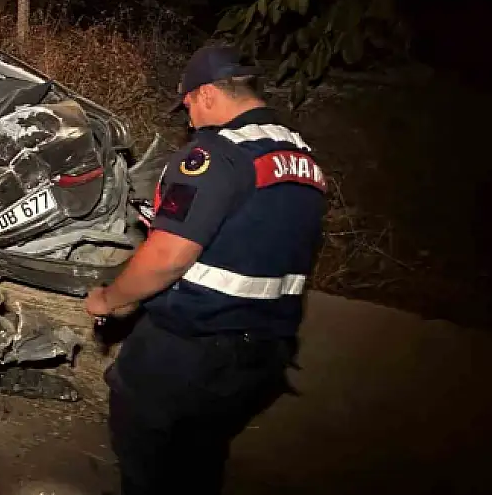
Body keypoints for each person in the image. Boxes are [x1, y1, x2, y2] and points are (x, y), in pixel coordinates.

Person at [86, 45, 328, 494]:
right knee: (200, 461)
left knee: (147, 458)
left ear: (209, 95)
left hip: (191, 350)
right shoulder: (303, 158)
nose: (189, 119)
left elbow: (168, 257)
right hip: (263, 354)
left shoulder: (215, 155)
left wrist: (108, 298)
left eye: (190, 106)